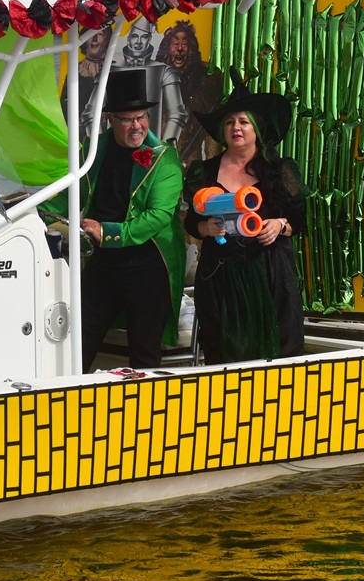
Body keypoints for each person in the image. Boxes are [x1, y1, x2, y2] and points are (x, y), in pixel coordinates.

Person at [184, 84, 306, 363]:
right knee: (223, 353)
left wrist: (280, 225)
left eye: (243, 121)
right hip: (220, 275)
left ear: (257, 128)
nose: (236, 128)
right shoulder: (205, 172)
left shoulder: (280, 170)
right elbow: (191, 223)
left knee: (280, 352)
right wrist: (206, 228)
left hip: (271, 273)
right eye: (229, 122)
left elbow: (299, 220)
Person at [72, 68, 184, 371]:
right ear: (111, 119)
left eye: (142, 117)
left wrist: (108, 232)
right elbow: (73, 191)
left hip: (147, 264)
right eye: (128, 119)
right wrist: (31, 206)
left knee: (144, 352)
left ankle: (145, 402)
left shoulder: (164, 158)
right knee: (77, 342)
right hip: (103, 263)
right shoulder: (93, 149)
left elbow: (158, 216)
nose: (137, 126)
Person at [155, 20, 221, 164]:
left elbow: (211, 131)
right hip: (158, 156)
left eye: (184, 44)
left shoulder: (204, 81)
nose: (180, 48)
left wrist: (212, 167)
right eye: (175, 43)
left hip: (190, 158)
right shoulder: (155, 76)